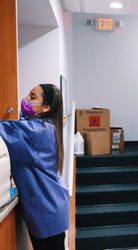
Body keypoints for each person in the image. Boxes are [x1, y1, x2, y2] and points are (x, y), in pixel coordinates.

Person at [0, 84, 69, 250]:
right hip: (52, 205)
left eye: (32, 97)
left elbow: (5, 129)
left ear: (46, 107)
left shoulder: (38, 131)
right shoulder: (46, 126)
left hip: (47, 209)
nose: (26, 99)